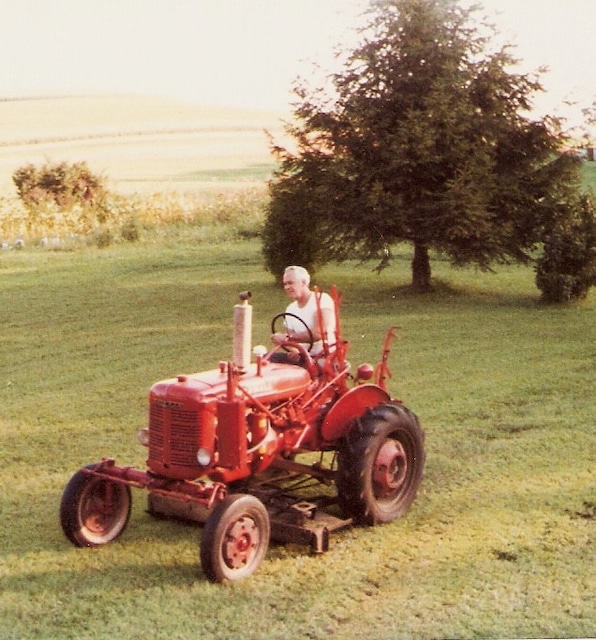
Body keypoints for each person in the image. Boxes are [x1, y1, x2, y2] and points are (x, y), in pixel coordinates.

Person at [270, 265, 336, 365]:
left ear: (304, 282)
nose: (287, 287)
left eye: (291, 283)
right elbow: (293, 342)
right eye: (285, 284)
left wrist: (286, 338)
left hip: (323, 357)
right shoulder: (290, 309)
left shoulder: (321, 300)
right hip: (304, 357)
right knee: (267, 360)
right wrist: (293, 351)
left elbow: (319, 333)